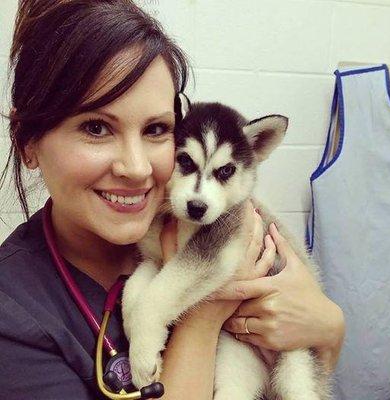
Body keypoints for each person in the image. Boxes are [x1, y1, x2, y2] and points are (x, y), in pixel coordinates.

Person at [0, 1, 345, 399]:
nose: (136, 168)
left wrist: (330, 326)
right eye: (96, 127)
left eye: (157, 129)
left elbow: (314, 356)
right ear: (28, 143)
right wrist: (205, 314)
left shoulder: (175, 228)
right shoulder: (15, 318)